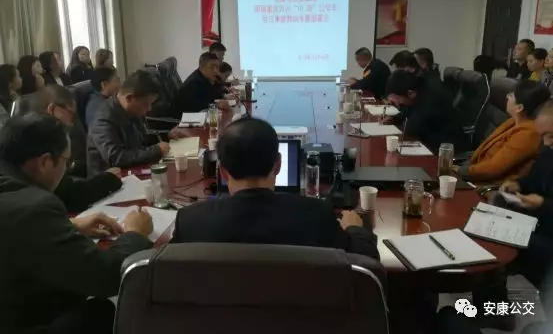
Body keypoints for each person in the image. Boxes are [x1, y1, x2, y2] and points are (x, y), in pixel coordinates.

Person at [0, 114, 153, 334]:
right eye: (67, 161)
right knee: (103, 311)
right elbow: (106, 277)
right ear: (44, 162)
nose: (67, 169)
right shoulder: (34, 208)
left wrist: (70, 225)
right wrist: (135, 233)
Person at [172, 117, 380, 260]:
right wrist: (356, 229)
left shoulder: (190, 221)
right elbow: (367, 267)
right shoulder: (317, 215)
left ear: (223, 172)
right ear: (278, 165)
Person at [473, 102, 553, 329]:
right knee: (486, 227)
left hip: (548, 232)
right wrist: (518, 184)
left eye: (551, 137)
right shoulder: (548, 151)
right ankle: (495, 309)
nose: (547, 143)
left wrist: (543, 204)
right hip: (538, 222)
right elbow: (536, 180)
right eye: (544, 137)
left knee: (498, 242)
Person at [22, 85, 123, 212]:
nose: (72, 123)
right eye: (71, 114)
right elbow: (68, 194)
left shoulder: (25, 134)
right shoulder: (37, 143)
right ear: (52, 109)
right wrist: (108, 179)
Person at [87, 70, 186, 177]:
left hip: (133, 170)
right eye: (146, 104)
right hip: (110, 180)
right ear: (129, 98)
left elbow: (142, 138)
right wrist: (156, 150)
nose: (149, 109)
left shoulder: (130, 109)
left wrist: (165, 135)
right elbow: (116, 158)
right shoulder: (102, 120)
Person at [455, 80, 551, 184]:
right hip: (474, 173)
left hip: (486, 185)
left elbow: (493, 168)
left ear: (519, 108)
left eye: (511, 95)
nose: (507, 96)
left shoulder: (528, 134)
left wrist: (460, 171)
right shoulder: (513, 121)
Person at [385, 70, 466, 152]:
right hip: (431, 142)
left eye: (396, 101)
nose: (397, 104)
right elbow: (409, 110)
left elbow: (411, 129)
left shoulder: (430, 100)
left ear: (411, 93)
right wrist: (394, 118)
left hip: (446, 148)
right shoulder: (420, 90)